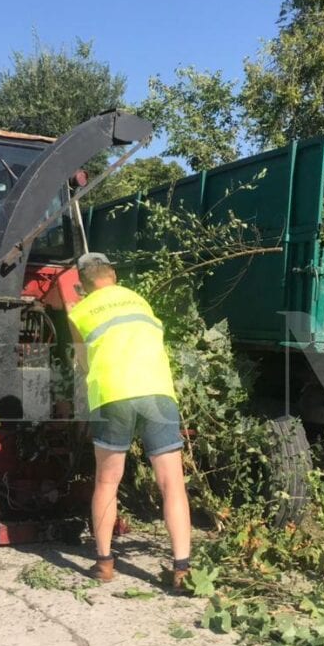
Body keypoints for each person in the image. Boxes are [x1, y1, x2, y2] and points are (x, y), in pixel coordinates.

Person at [67, 252, 191, 590]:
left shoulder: (78, 311)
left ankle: (105, 564)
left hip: (112, 394)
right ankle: (182, 569)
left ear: (82, 284)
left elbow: (82, 364)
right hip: (158, 392)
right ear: (114, 275)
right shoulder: (140, 301)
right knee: (172, 483)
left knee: (108, 482)